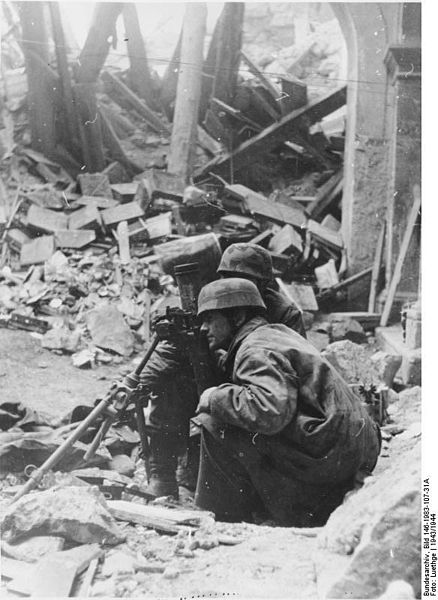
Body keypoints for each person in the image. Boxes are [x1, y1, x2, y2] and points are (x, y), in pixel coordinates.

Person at [193, 278, 381, 526]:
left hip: (332, 456)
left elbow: (270, 411)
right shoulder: (275, 333)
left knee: (213, 420)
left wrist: (213, 396)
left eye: (210, 319)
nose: (203, 328)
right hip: (356, 448)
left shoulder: (254, 349)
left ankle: (225, 516)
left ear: (237, 316)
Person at [138, 243, 308, 498]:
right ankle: (163, 473)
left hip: (260, 386)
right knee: (172, 386)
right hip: (213, 372)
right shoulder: (209, 297)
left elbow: (297, 366)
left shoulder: (284, 313)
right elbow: (172, 350)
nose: (237, 288)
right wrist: (139, 383)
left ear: (265, 284)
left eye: (248, 281)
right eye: (230, 279)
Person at [217, 242, 306, 338]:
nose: (234, 285)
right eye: (227, 277)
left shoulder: (284, 314)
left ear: (263, 283)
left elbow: (299, 350)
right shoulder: (213, 303)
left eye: (242, 280)